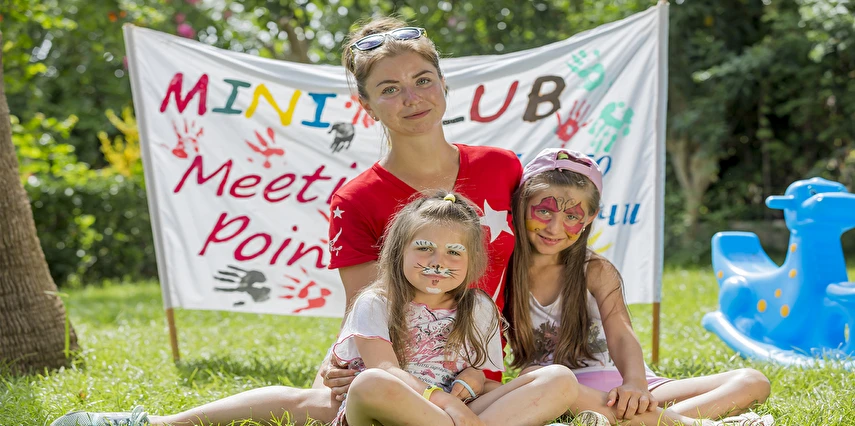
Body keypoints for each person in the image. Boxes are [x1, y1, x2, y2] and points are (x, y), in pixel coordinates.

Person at [50, 192, 579, 426]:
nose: (438, 262)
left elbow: (485, 374)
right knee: (372, 384)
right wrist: (450, 404)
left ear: (473, 261)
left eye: (453, 253)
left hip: (458, 414)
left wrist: (466, 388)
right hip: (392, 407)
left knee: (557, 377)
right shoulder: (379, 301)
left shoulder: (478, 307)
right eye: (423, 248)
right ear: (397, 252)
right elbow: (386, 372)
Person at [319, 16, 522, 397]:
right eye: (390, 89)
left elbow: (545, 262)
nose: (412, 98)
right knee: (319, 403)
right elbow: (365, 308)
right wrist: (341, 368)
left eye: (423, 80)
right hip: (398, 373)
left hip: (476, 374)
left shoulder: (502, 167)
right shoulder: (355, 199)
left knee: (556, 384)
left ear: (444, 83)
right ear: (367, 106)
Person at [505, 148, 775, 426]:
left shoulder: (595, 270)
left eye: (572, 217)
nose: (554, 228)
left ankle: (636, 420)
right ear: (521, 203)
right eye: (544, 211)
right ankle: (685, 423)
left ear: (590, 217)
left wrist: (635, 384)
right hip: (562, 390)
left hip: (626, 388)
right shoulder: (504, 272)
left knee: (752, 382)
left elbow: (622, 334)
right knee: (537, 379)